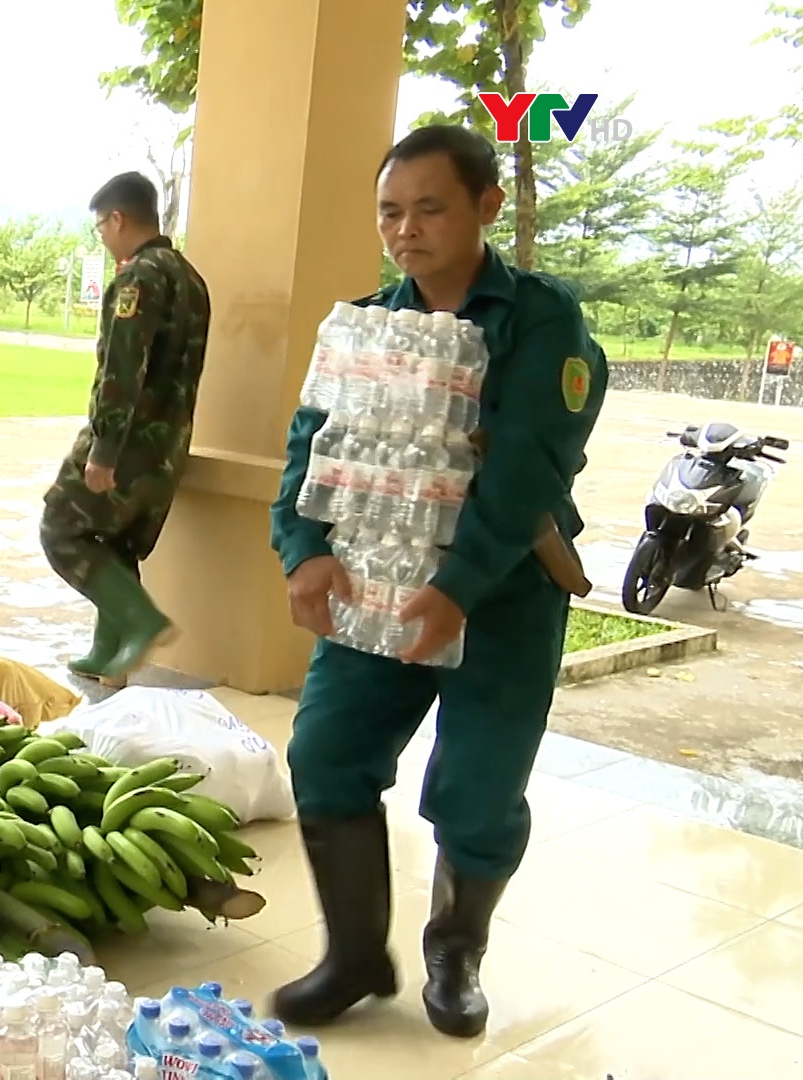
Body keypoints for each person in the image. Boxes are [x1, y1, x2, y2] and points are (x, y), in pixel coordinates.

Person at [266, 124, 606, 1039]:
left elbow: (529, 466)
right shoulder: (365, 325)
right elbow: (310, 442)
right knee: (327, 751)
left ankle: (455, 952)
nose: (405, 230)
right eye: (389, 211)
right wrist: (304, 549)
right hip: (375, 581)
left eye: (429, 208)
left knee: (480, 787)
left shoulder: (542, 320)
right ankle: (351, 955)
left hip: (500, 593)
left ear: (486, 208)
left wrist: (455, 584)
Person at [40, 171, 211, 684]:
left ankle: (139, 621)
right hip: (168, 449)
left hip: (129, 444)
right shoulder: (191, 278)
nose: (103, 236)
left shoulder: (139, 276)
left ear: (118, 218)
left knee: (61, 529)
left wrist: (104, 451)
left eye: (101, 226)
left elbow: (121, 368)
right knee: (115, 541)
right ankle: (109, 651)